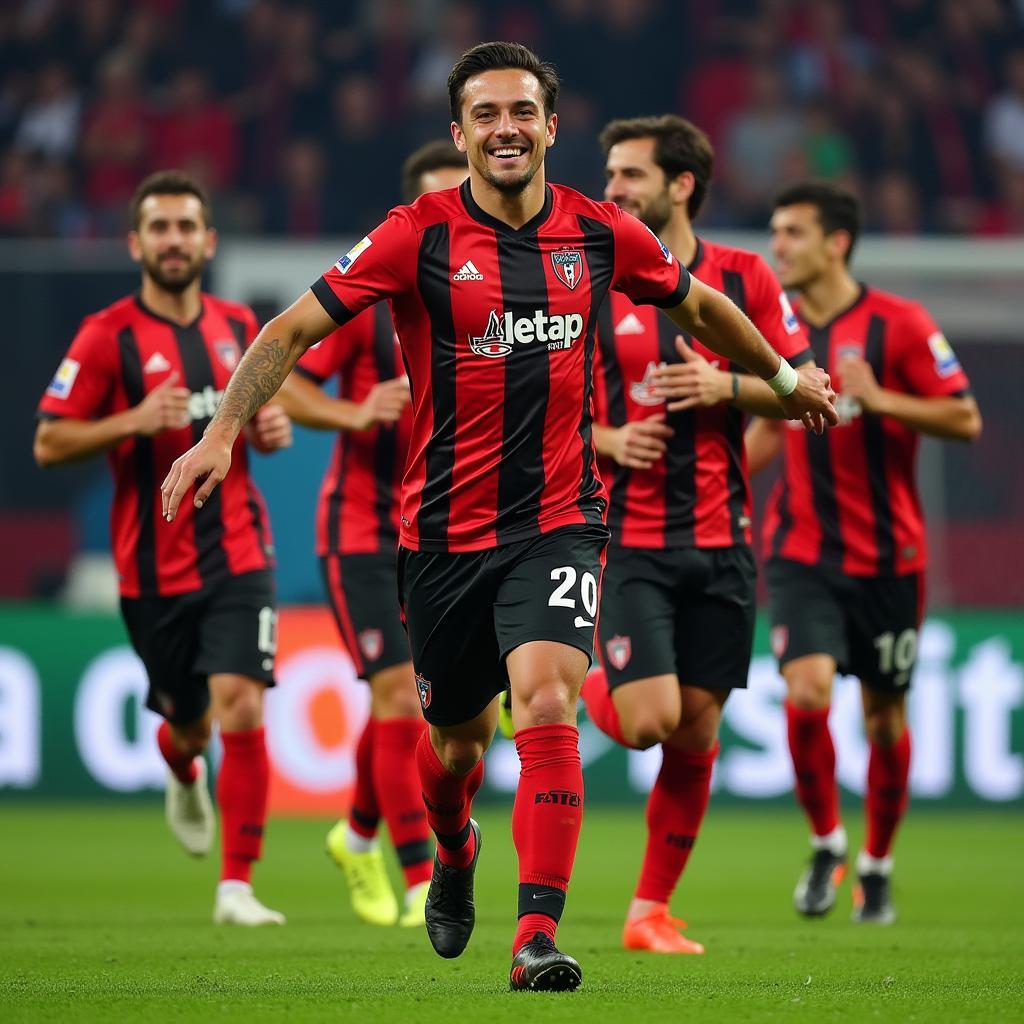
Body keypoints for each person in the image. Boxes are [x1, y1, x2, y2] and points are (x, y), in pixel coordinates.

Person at [160, 42, 837, 990]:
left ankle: (535, 936)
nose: (506, 128)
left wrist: (778, 374)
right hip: (440, 538)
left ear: (552, 125)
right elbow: (292, 329)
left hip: (561, 521)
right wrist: (221, 432)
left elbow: (702, 305)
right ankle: (454, 845)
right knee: (454, 750)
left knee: (551, 700)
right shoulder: (416, 234)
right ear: (460, 132)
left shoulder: (599, 231)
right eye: (486, 114)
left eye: (523, 111)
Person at [579, 114, 815, 955]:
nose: (612, 190)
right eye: (609, 174)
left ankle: (648, 913)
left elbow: (804, 385)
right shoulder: (589, 283)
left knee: (698, 730)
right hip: (628, 538)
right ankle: (568, 677)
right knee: (648, 721)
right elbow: (531, 407)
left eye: (630, 176)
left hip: (722, 540)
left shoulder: (746, 277)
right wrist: (603, 441)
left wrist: (726, 385)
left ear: (681, 185)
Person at [34, 170, 292, 926]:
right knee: (191, 725)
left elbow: (254, 424)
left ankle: (236, 888)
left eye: (186, 227)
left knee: (243, 702)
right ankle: (182, 766)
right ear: (135, 242)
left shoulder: (240, 324)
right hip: (153, 569)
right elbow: (49, 442)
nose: (174, 240)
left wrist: (266, 431)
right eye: (160, 227)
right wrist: (133, 421)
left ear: (209, 241)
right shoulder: (105, 335)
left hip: (241, 552)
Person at [746, 182, 982, 925]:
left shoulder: (900, 324)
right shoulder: (772, 330)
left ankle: (875, 866)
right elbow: (762, 437)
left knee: (884, 720)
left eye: (792, 232)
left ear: (836, 242)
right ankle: (826, 843)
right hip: (800, 551)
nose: (777, 245)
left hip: (889, 559)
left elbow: (965, 418)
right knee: (807, 691)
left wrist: (881, 400)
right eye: (775, 232)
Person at [274, 140, 468, 930]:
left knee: (421, 711)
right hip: (361, 527)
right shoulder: (375, 303)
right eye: (432, 198)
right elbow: (285, 376)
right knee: (397, 697)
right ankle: (422, 873)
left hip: (451, 529)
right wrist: (353, 412)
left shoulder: (497, 303)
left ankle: (356, 836)